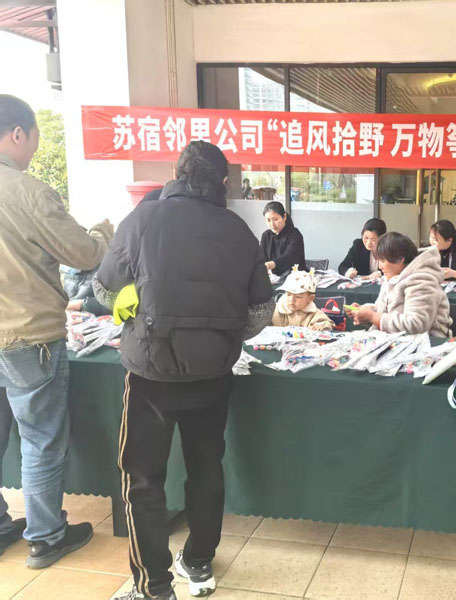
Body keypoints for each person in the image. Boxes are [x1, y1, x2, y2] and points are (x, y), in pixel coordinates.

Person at [94, 141, 274, 600]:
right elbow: (259, 317)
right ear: (223, 183)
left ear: (175, 174)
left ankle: (153, 586)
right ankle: (198, 561)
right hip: (213, 374)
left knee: (142, 479)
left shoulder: (141, 220)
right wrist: (219, 332)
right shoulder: (240, 231)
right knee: (206, 467)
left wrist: (135, 302)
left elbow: (102, 289)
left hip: (149, 373)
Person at [0, 95, 114, 566]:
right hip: (27, 336)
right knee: (41, 438)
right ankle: (46, 536)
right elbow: (84, 254)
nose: (33, 148)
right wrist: (104, 231)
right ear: (18, 133)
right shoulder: (27, 192)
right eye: (34, 137)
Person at [350, 232, 451, 337]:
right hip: (396, 341)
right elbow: (384, 310)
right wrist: (364, 312)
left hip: (428, 342)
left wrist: (373, 317)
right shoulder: (392, 277)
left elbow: (416, 324)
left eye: (382, 261)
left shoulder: (422, 280)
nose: (380, 266)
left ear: (400, 259)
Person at [260, 201, 306, 276]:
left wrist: (269, 265)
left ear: (284, 217)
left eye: (275, 219)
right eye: (268, 220)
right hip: (273, 278)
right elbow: (261, 258)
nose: (272, 224)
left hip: (295, 277)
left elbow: (289, 257)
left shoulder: (295, 235)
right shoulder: (266, 235)